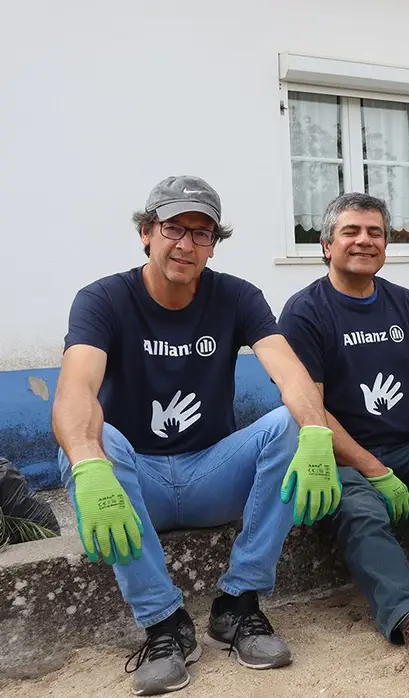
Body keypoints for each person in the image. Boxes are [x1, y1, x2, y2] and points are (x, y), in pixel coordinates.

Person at [51, 176, 342, 696]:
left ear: (214, 243)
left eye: (202, 233)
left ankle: (239, 604)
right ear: (146, 232)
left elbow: (288, 369)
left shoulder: (235, 296)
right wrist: (87, 463)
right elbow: (76, 389)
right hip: (135, 481)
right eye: (172, 228)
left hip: (211, 472)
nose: (186, 244)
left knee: (293, 422)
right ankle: (165, 625)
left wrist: (317, 433)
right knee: (98, 441)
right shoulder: (103, 299)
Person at [277, 193, 409, 674]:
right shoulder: (304, 312)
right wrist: (374, 469)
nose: (364, 240)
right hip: (341, 458)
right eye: (351, 232)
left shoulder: (405, 303)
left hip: (408, 444)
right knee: (361, 511)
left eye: (375, 232)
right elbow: (309, 409)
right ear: (325, 246)